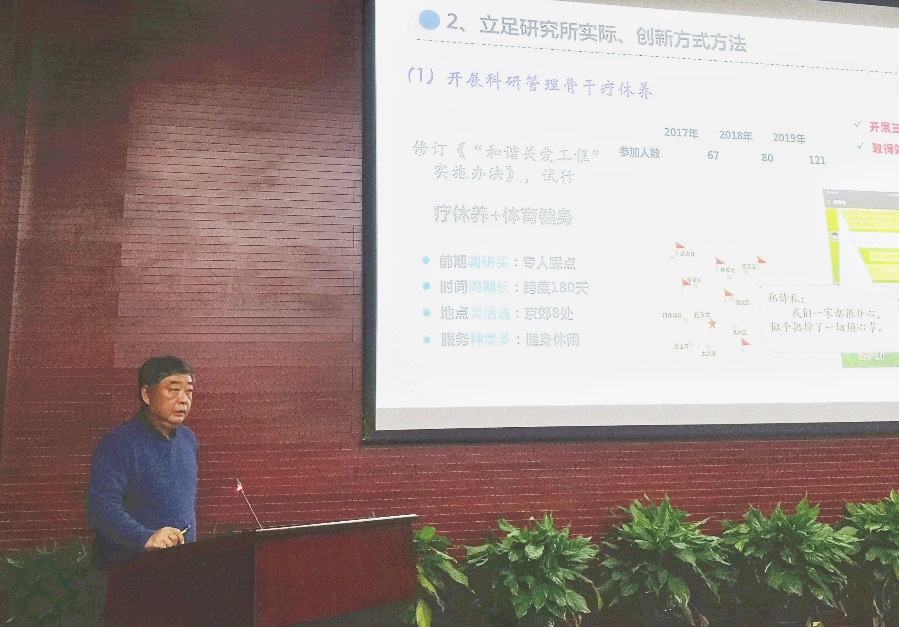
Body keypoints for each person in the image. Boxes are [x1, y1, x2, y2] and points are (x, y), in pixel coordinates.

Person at [86, 356, 198, 567]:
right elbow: (101, 507)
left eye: (189, 391)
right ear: (146, 394)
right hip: (133, 568)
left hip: (181, 565)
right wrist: (145, 537)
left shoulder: (188, 439)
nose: (184, 399)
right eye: (174, 390)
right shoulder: (119, 443)